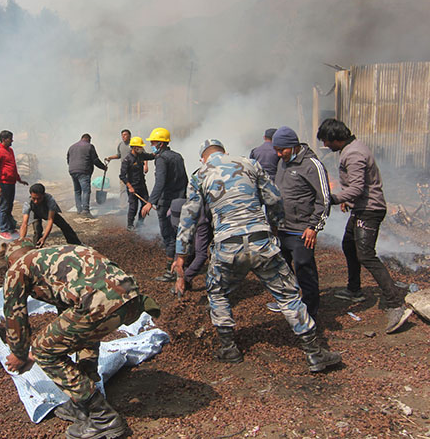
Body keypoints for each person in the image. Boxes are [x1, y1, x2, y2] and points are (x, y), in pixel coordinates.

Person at [173, 139, 341, 373]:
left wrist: (181, 256)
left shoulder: (200, 174)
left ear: (204, 157)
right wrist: (274, 227)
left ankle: (228, 348)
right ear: (225, 151)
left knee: (218, 292)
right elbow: (274, 199)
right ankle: (314, 353)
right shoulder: (249, 164)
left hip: (227, 246)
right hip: (261, 242)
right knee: (288, 295)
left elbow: (188, 217)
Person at [2, 240, 159, 439]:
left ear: (10, 262)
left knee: (43, 350)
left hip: (100, 301)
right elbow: (75, 329)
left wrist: (20, 354)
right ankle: (83, 403)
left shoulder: (17, 268)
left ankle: (103, 417)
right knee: (80, 332)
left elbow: (15, 317)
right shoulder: (54, 256)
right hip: (130, 297)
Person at [317, 118, 413, 334]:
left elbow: (358, 188)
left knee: (366, 255)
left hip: (370, 210)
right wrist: (349, 202)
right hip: (362, 208)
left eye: (326, 141)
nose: (325, 146)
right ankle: (354, 289)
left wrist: (332, 199)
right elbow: (359, 186)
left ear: (335, 138)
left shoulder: (353, 154)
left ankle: (394, 301)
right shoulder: (353, 148)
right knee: (349, 245)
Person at [269, 127, 330, 318]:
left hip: (302, 230)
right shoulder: (282, 163)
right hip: (283, 228)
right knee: (283, 269)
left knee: (305, 269)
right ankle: (288, 303)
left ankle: (311, 309)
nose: (279, 154)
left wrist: (313, 227)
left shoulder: (312, 165)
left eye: (282, 150)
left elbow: (324, 199)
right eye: (276, 150)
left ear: (293, 146)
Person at [140, 127, 187, 281]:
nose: (151, 144)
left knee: (168, 236)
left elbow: (159, 182)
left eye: (153, 142)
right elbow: (184, 180)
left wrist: (150, 202)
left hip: (166, 202)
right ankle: (180, 263)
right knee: (178, 233)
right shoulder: (178, 156)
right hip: (179, 202)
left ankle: (170, 271)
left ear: (160, 143)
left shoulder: (161, 159)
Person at [169, 173, 212, 294]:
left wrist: (184, 277)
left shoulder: (201, 222)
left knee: (198, 250)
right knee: (187, 251)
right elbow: (181, 238)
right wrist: (177, 260)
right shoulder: (172, 211)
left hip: (217, 225)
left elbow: (202, 255)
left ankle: (187, 280)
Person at [0, 130, 28, 240]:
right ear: (4, 139)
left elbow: (13, 167)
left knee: (9, 206)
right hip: (3, 183)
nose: (12, 140)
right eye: (10, 138)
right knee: (4, 207)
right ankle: (3, 230)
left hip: (11, 183)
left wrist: (19, 179)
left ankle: (11, 228)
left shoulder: (10, 151)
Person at [66, 134, 107, 219]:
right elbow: (95, 160)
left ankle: (79, 209)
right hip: (83, 171)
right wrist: (103, 167)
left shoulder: (72, 147)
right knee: (86, 191)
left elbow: (68, 159)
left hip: (72, 171)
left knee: (77, 190)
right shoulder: (89, 146)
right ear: (89, 139)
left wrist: (73, 168)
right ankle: (85, 210)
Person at [118, 137, 155, 231]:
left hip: (142, 185)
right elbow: (122, 175)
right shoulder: (127, 160)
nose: (142, 149)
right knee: (133, 207)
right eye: (140, 147)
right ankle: (130, 225)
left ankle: (140, 223)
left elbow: (151, 156)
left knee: (145, 204)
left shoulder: (141, 155)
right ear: (134, 147)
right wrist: (130, 187)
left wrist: (158, 153)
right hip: (132, 187)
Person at [105, 129, 134, 209]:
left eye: (125, 135)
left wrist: (145, 165)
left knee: (133, 187)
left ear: (129, 136)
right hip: (124, 170)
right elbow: (119, 155)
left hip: (134, 170)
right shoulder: (120, 145)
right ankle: (123, 206)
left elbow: (143, 154)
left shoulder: (134, 144)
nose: (123, 136)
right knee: (123, 188)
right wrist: (110, 158)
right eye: (122, 135)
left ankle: (134, 204)